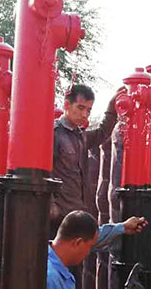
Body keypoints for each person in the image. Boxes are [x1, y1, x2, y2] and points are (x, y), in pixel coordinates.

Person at [51, 83, 124, 235]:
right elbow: (44, 173)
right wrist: (51, 206)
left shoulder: (81, 136)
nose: (85, 115)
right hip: (59, 216)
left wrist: (112, 107)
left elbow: (102, 133)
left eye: (89, 110)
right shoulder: (54, 134)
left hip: (79, 213)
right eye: (80, 108)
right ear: (67, 105)